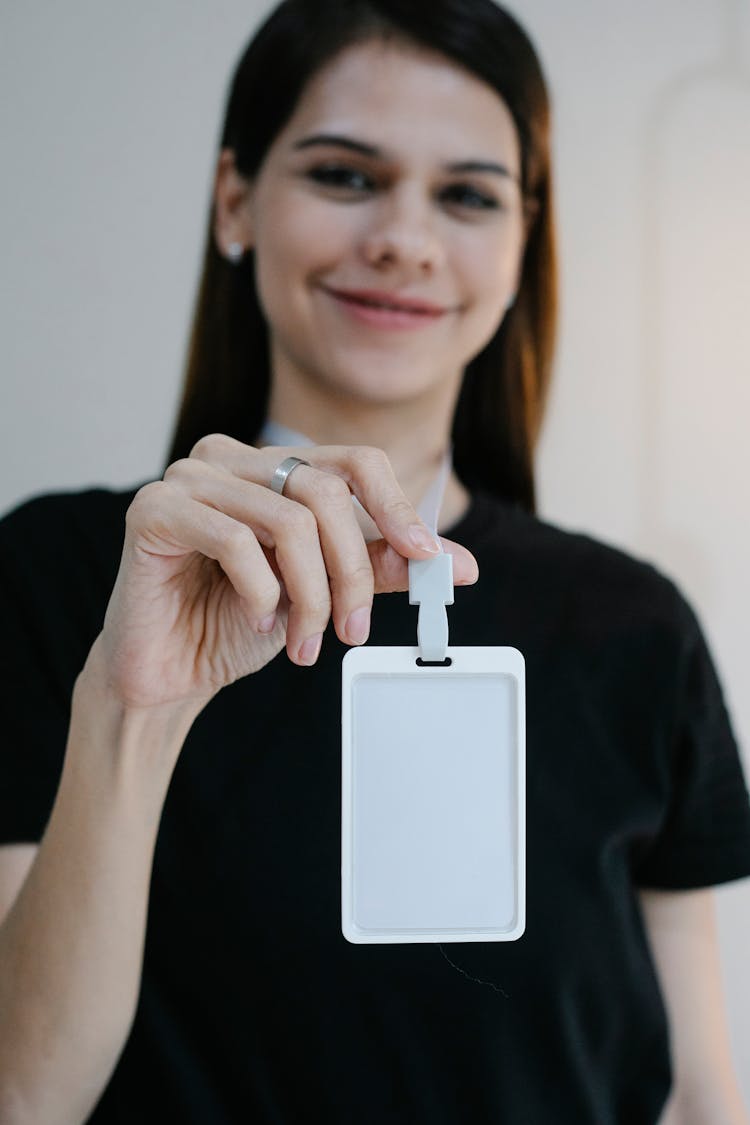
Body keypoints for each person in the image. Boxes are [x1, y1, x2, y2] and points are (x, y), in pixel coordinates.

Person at [1, 0, 749, 1121]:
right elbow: (22, 1093)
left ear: (520, 245)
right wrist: (131, 711)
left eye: (467, 194)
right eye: (345, 175)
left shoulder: (637, 623)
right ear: (235, 199)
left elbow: (698, 1095)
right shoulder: (63, 577)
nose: (405, 237)